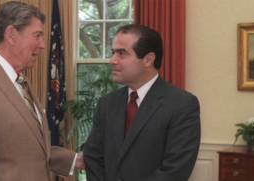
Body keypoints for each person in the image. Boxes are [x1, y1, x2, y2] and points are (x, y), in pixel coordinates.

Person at [0, 1, 84, 181]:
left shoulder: (21, 81)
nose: (43, 45)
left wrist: (77, 160)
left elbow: (27, 147)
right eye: (37, 35)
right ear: (11, 35)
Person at [83, 24, 201, 181]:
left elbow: (175, 170)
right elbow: (93, 157)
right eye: (113, 53)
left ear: (148, 60)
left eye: (122, 53)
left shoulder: (182, 104)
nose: (112, 60)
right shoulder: (106, 104)